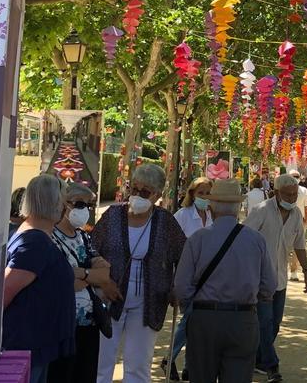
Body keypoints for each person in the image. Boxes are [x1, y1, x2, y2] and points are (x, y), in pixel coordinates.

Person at [91, 164, 187, 383]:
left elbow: (184, 256)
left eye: (145, 192)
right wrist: (103, 283)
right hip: (108, 299)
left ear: (157, 195)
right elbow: (90, 250)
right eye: (134, 188)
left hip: (149, 302)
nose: (137, 195)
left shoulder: (165, 222)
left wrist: (175, 287)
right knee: (101, 364)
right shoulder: (112, 215)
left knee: (138, 366)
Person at [173, 179, 276, 383]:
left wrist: (191, 307)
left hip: (204, 319)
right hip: (243, 319)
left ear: (211, 207)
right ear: (238, 207)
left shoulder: (198, 240)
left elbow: (181, 287)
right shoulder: (256, 240)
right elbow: (269, 287)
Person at [3, 174, 76, 383]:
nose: (67, 207)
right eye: (64, 200)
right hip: (27, 344)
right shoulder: (34, 241)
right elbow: (7, 291)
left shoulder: (37, 236)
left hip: (36, 343)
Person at [246, 174, 307, 382]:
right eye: (288, 194)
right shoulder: (261, 211)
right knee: (265, 323)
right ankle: (272, 366)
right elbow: (243, 238)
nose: (292, 198)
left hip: (280, 279)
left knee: (274, 324)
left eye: (295, 195)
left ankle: (257, 359)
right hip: (259, 279)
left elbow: (300, 245)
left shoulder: (295, 215)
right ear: (276, 193)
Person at [50, 183, 118, 383]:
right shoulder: (50, 237)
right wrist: (88, 274)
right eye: (79, 204)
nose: (83, 210)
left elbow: (105, 274)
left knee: (85, 375)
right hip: (62, 324)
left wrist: (81, 273)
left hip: (89, 323)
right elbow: (59, 278)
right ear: (64, 204)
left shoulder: (84, 238)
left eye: (87, 205)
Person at [164, 177, 214, 380]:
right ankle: (170, 357)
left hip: (209, 277)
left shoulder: (212, 216)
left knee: (197, 322)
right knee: (190, 319)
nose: (205, 197)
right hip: (187, 276)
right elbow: (170, 246)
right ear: (192, 194)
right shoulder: (183, 216)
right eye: (201, 192)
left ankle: (188, 366)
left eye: (208, 193)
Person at [287, 170, 307, 282]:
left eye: (297, 176)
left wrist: (306, 221)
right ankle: (282, 269)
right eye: (293, 176)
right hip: (284, 221)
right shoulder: (282, 189)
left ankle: (293, 271)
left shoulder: (304, 190)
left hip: (299, 221)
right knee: (283, 246)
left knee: (298, 247)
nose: (295, 178)